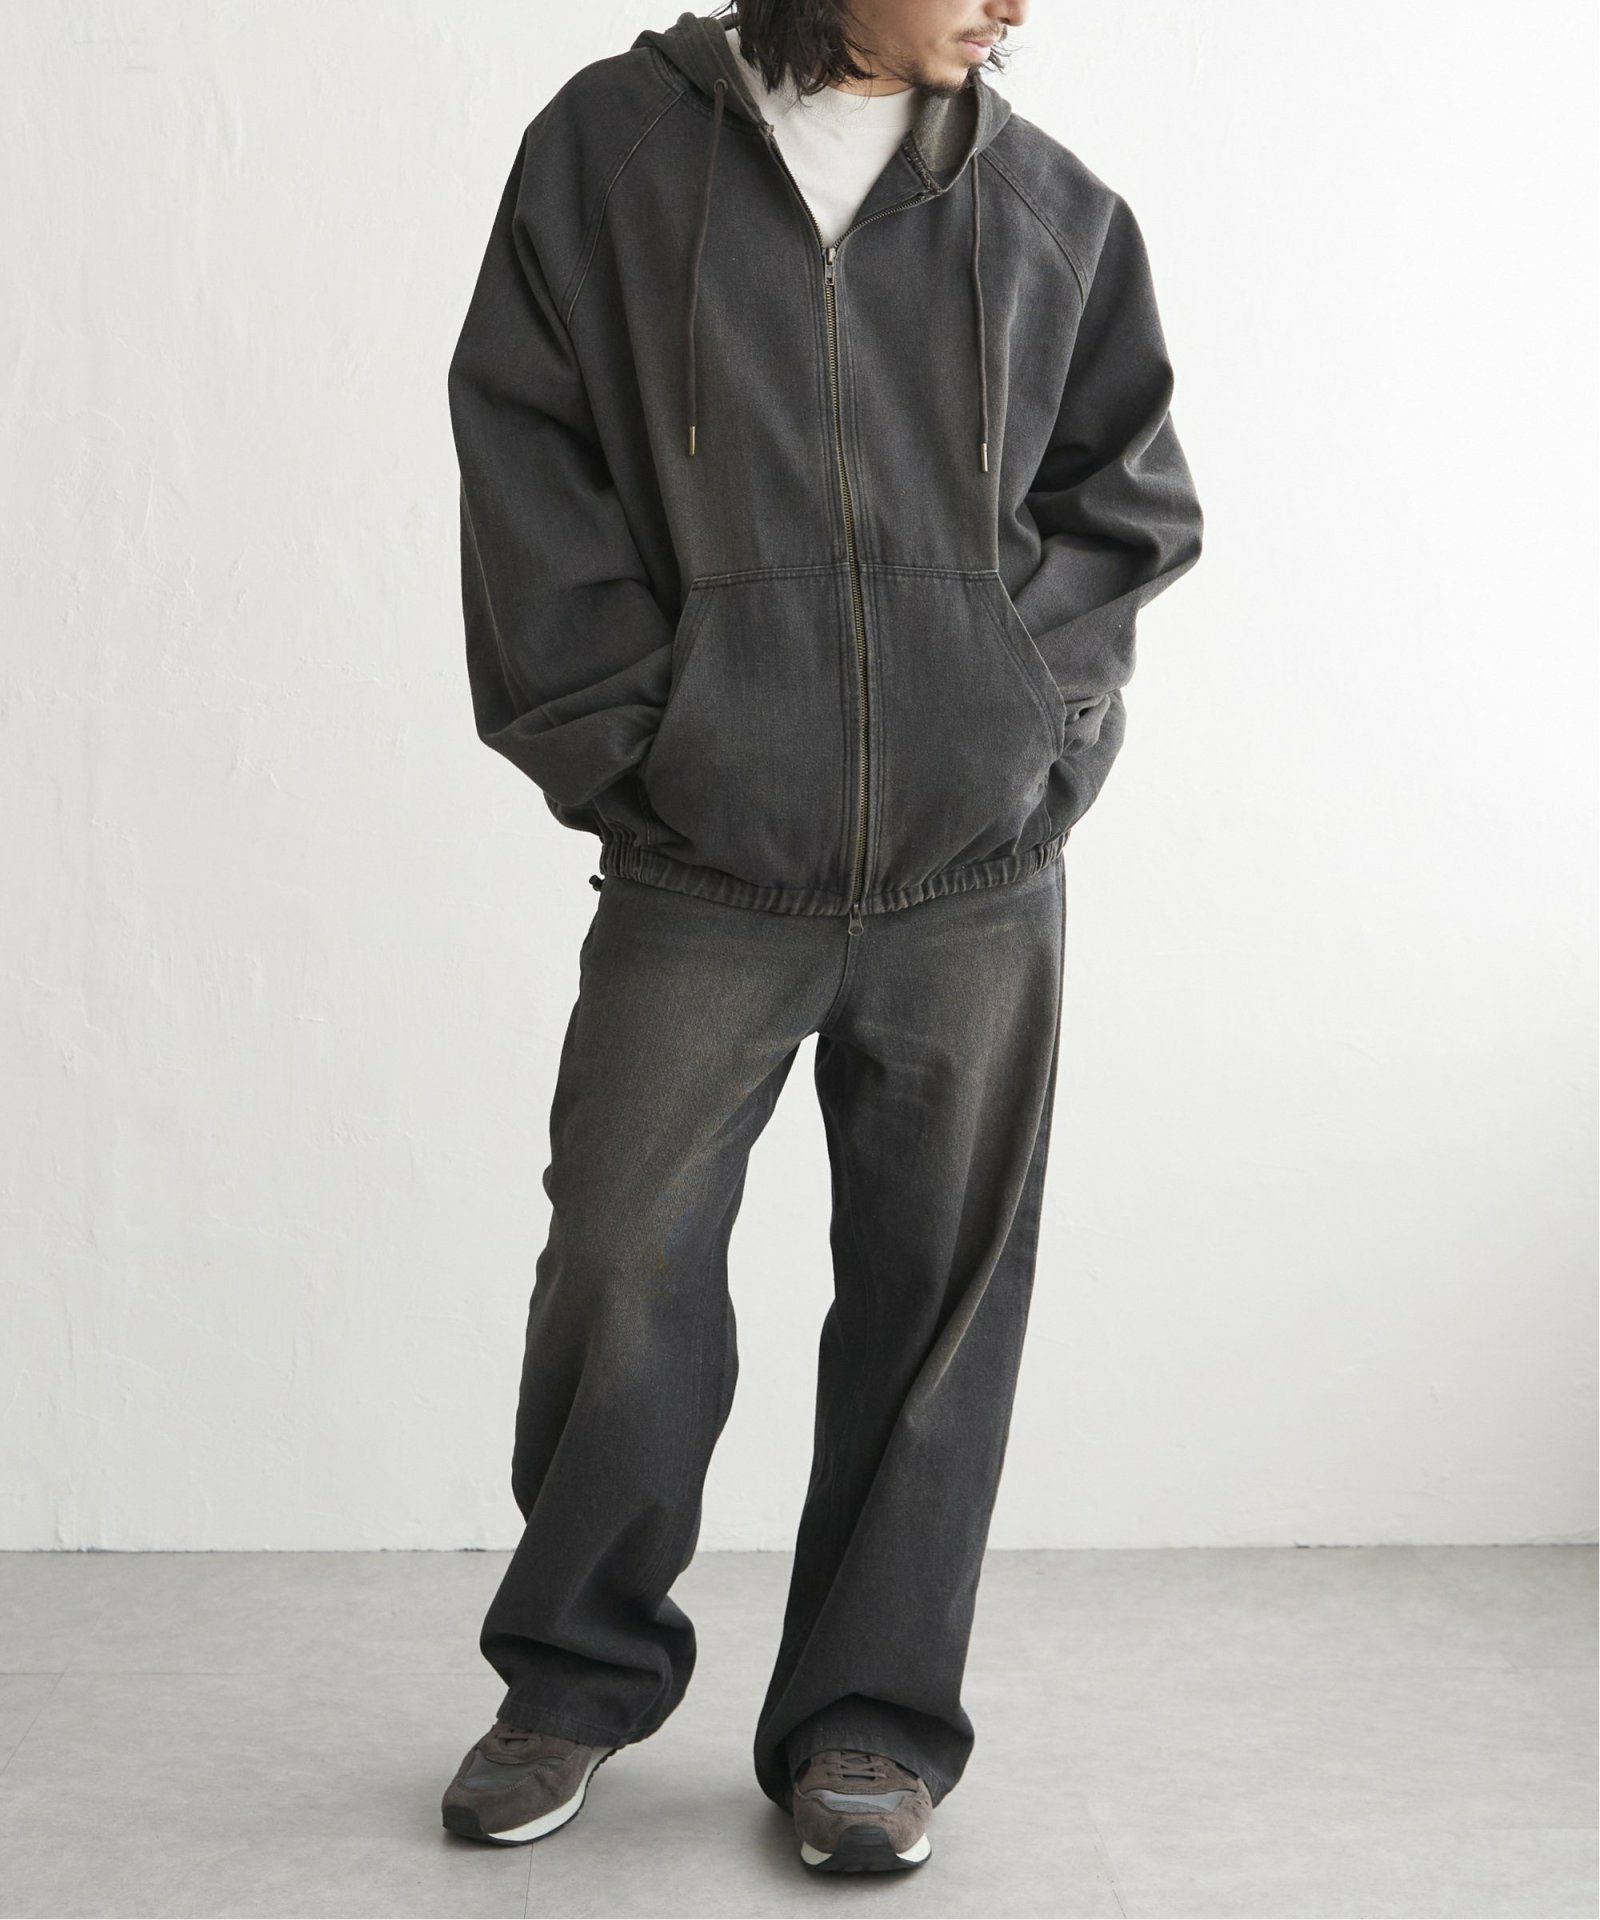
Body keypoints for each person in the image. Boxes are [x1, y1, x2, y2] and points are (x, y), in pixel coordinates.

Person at [441, 0, 1202, 1875]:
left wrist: (1034, 735)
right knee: (620, 1269)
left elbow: (1125, 508)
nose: (1014, 5)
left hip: (973, 881)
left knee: (937, 1305)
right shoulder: (612, 155)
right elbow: (527, 464)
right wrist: (636, 747)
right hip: (703, 871)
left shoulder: (1051, 209)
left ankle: (871, 1724)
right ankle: (572, 1679)